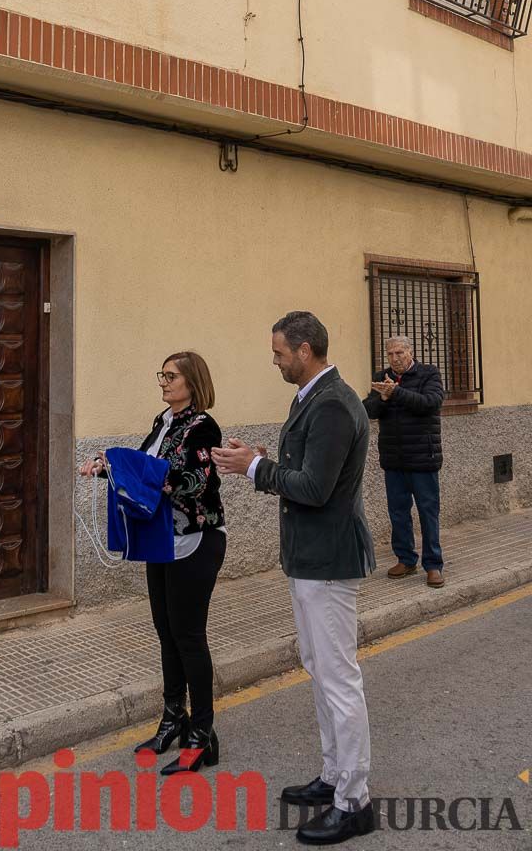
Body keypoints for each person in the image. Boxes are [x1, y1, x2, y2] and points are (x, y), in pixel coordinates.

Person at [212, 312, 376, 846]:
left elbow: (315, 487)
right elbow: (303, 465)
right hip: (310, 559)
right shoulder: (313, 397)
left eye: (280, 352)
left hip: (328, 561)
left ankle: (355, 802)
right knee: (319, 668)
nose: (276, 361)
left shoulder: (331, 403)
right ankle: (333, 776)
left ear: (305, 350)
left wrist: (255, 471)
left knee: (338, 679)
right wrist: (257, 456)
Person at [79, 351, 226, 775]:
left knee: (189, 636)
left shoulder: (204, 427)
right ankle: (173, 718)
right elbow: (141, 464)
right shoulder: (164, 421)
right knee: (165, 632)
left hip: (197, 540)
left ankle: (202, 734)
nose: (163, 381)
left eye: (171, 375)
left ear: (191, 382)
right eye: (161, 374)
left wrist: (146, 476)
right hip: (162, 538)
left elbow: (195, 482)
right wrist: (107, 468)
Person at [363, 335, 445, 588]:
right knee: (398, 513)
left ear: (410, 352)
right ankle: (406, 559)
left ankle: (433, 565)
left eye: (399, 353)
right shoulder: (383, 377)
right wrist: (384, 397)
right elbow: (367, 410)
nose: (395, 358)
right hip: (394, 459)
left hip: (423, 458)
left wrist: (396, 392)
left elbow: (430, 403)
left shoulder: (428, 374)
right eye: (390, 354)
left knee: (427, 512)